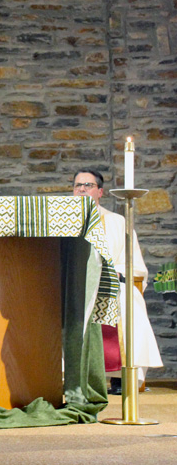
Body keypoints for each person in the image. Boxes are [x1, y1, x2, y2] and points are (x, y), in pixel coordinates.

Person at [73, 169, 163, 394]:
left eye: (88, 185)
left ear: (100, 192)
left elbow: (134, 264)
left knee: (128, 301)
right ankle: (70, 377)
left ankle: (122, 374)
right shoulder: (60, 221)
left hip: (111, 283)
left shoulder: (117, 221)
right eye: (78, 185)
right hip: (74, 285)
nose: (82, 189)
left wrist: (112, 274)